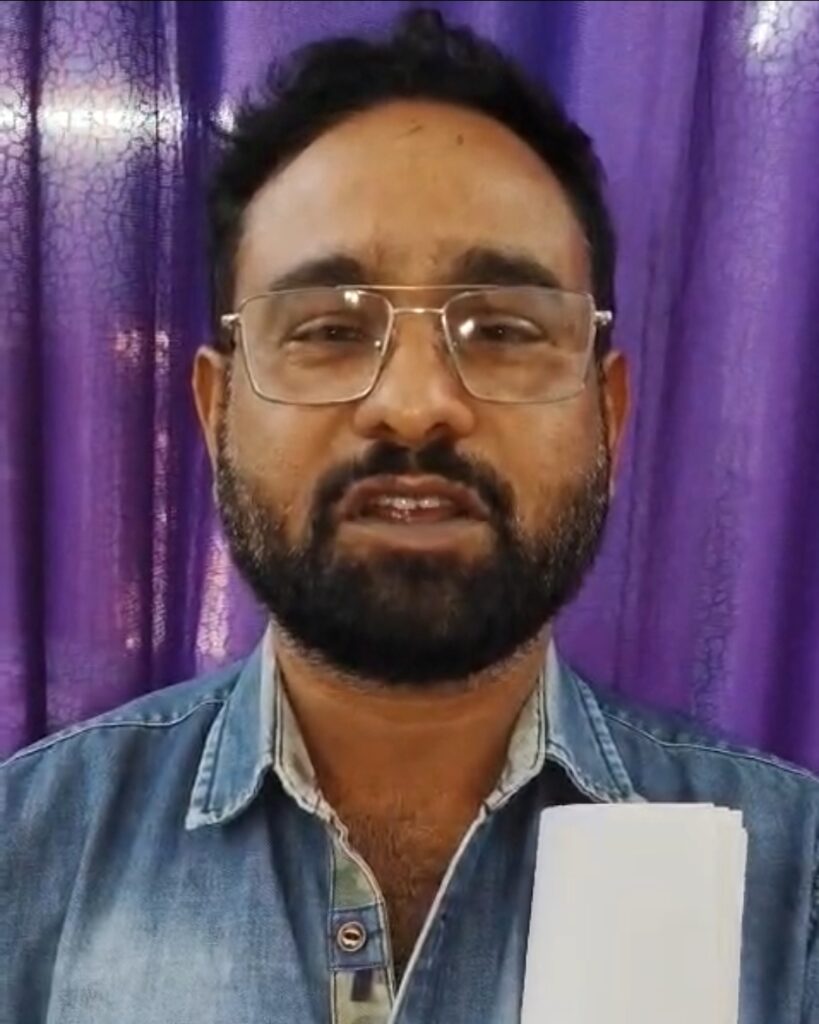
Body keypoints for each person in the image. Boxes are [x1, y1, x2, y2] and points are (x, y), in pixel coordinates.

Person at [2, 8, 818, 1023]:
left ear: (608, 416)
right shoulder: (28, 860)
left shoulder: (794, 892)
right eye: (328, 329)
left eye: (504, 328)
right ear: (215, 413)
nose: (416, 403)